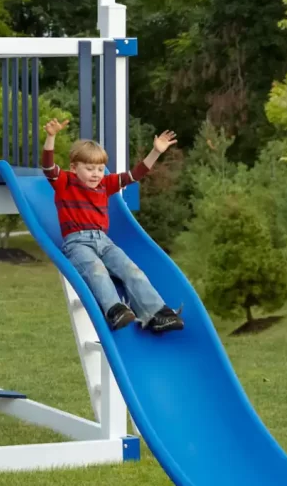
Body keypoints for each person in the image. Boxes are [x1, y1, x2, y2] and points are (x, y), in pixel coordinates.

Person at [42, 119, 184, 333]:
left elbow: (135, 175)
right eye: (89, 168)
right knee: (97, 270)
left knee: (131, 270)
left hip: (104, 241)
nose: (96, 174)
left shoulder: (104, 184)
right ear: (74, 167)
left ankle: (157, 313)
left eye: (100, 168)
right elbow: (48, 167)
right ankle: (115, 310)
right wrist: (51, 137)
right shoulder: (65, 183)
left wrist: (155, 152)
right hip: (77, 243)